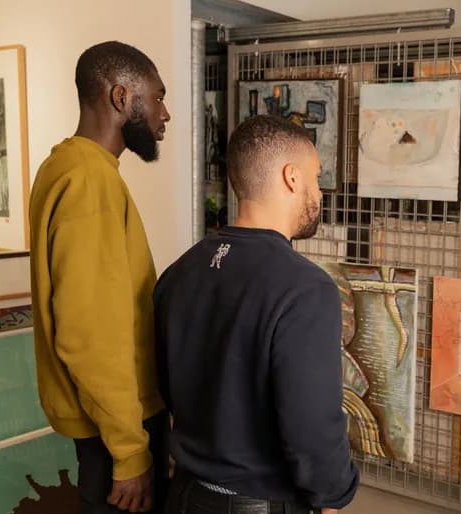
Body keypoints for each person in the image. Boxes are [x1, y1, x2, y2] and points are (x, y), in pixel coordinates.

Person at [154, 114, 358, 514]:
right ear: (292, 177)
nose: (319, 192)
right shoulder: (306, 289)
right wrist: (333, 495)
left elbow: (165, 386)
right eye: (316, 177)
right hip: (261, 504)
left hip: (183, 496)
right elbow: (312, 425)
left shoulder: (178, 273)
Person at [28, 41, 171, 514]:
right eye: (157, 97)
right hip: (116, 433)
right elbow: (90, 333)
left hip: (109, 423)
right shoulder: (90, 179)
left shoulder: (67, 166)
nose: (164, 114)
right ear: (121, 97)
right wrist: (130, 453)